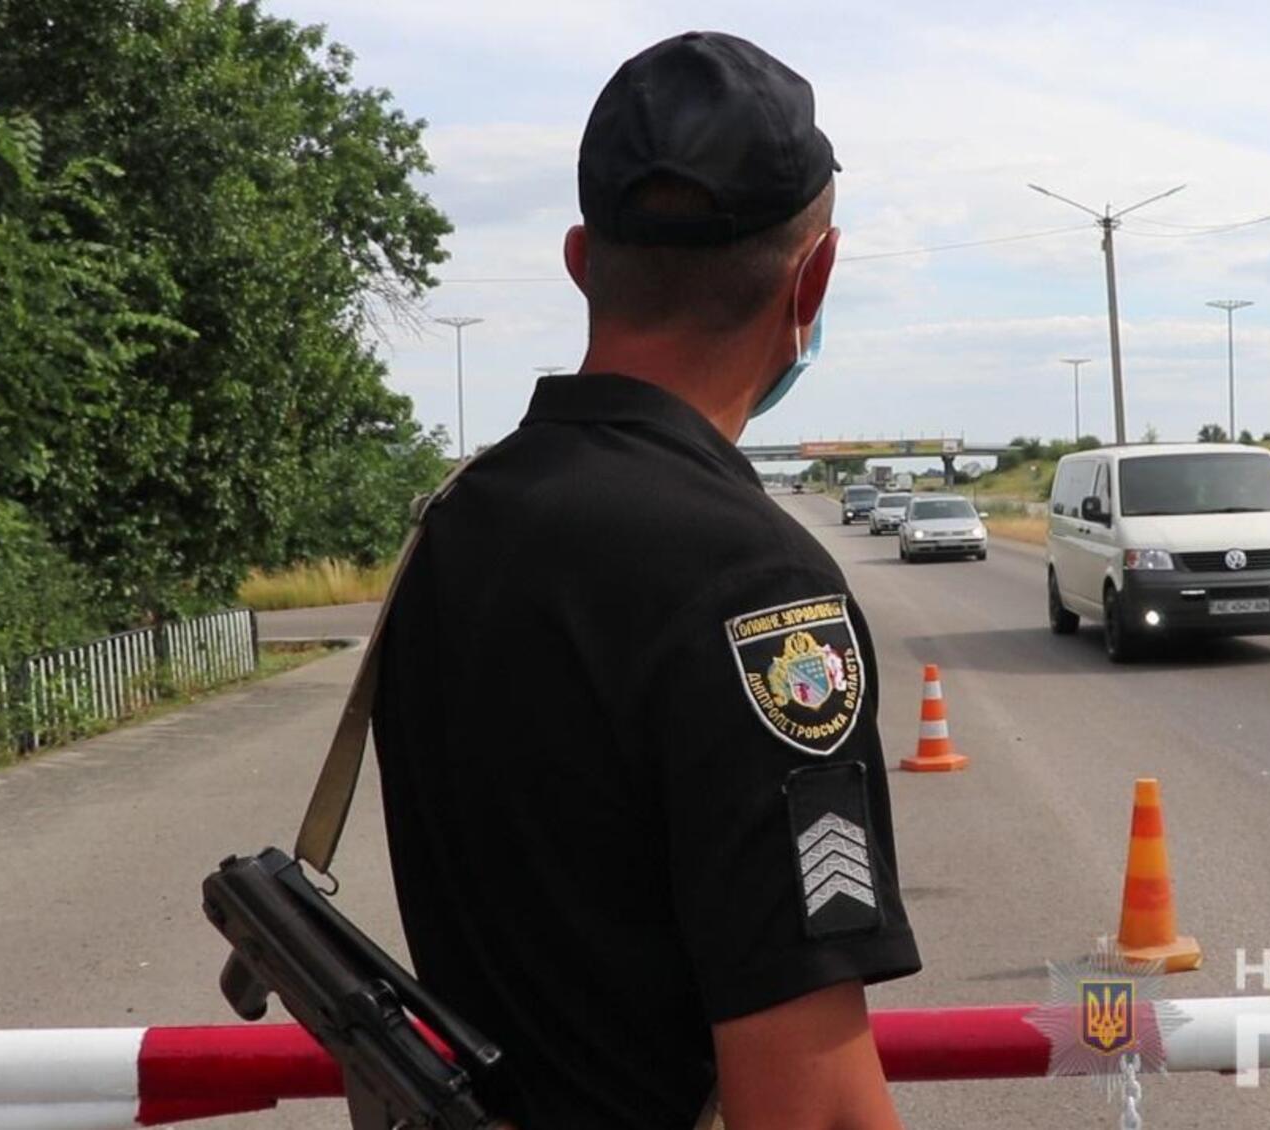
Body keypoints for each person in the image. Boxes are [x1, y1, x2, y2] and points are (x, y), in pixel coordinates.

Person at [372, 31, 921, 1130]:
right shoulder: (757, 586)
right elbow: (809, 1108)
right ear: (812, 279)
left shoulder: (456, 522)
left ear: (582, 258)